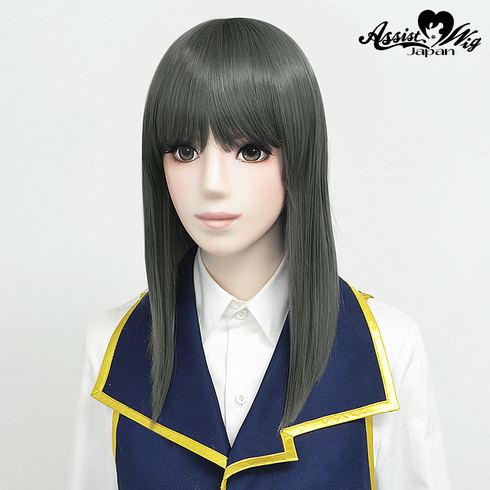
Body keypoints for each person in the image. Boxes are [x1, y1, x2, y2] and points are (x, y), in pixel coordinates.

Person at [70, 18, 450, 489]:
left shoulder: (386, 346)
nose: (212, 183)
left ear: (300, 157)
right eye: (185, 151)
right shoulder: (112, 346)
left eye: (249, 151)